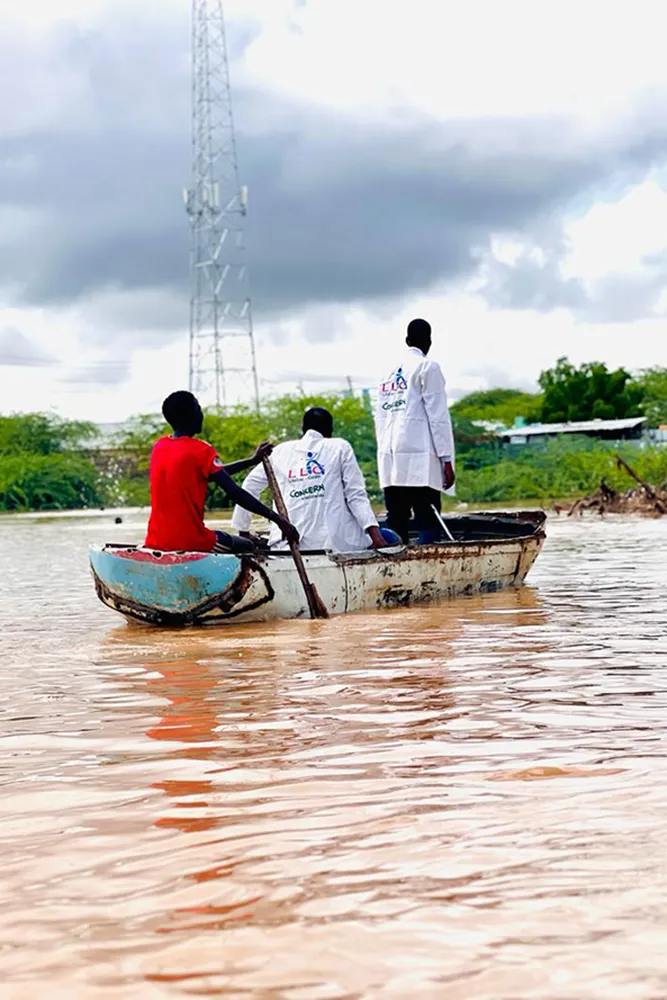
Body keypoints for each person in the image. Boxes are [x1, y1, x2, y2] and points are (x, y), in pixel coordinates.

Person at [144, 390, 298, 554]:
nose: (201, 414)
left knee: (231, 539)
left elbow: (216, 473)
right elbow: (235, 493)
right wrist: (279, 520)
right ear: (191, 416)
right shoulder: (201, 450)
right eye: (199, 409)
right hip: (191, 541)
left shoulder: (160, 447)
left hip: (155, 540)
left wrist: (252, 461)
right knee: (248, 546)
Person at [231, 407, 401, 552]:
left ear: (302, 428)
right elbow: (355, 495)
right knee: (391, 537)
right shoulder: (339, 446)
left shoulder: (279, 452)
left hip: (288, 545)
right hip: (336, 545)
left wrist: (243, 531)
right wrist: (376, 537)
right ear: (330, 431)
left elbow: (248, 487)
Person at [375, 318, 455, 545]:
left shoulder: (386, 374)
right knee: (427, 514)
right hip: (420, 456)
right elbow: (438, 416)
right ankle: (428, 560)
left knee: (396, 516)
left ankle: (394, 562)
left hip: (390, 456)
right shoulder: (427, 367)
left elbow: (380, 416)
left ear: (407, 340)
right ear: (429, 342)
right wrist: (446, 459)